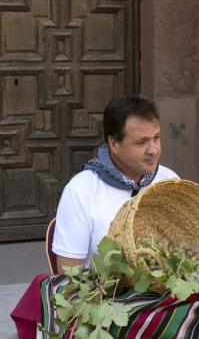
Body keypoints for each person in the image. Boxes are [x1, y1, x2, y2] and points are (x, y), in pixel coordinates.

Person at [52, 97, 179, 271]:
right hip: (104, 295)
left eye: (156, 138)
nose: (153, 150)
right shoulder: (81, 191)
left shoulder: (169, 181)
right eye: (141, 142)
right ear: (114, 144)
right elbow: (69, 275)